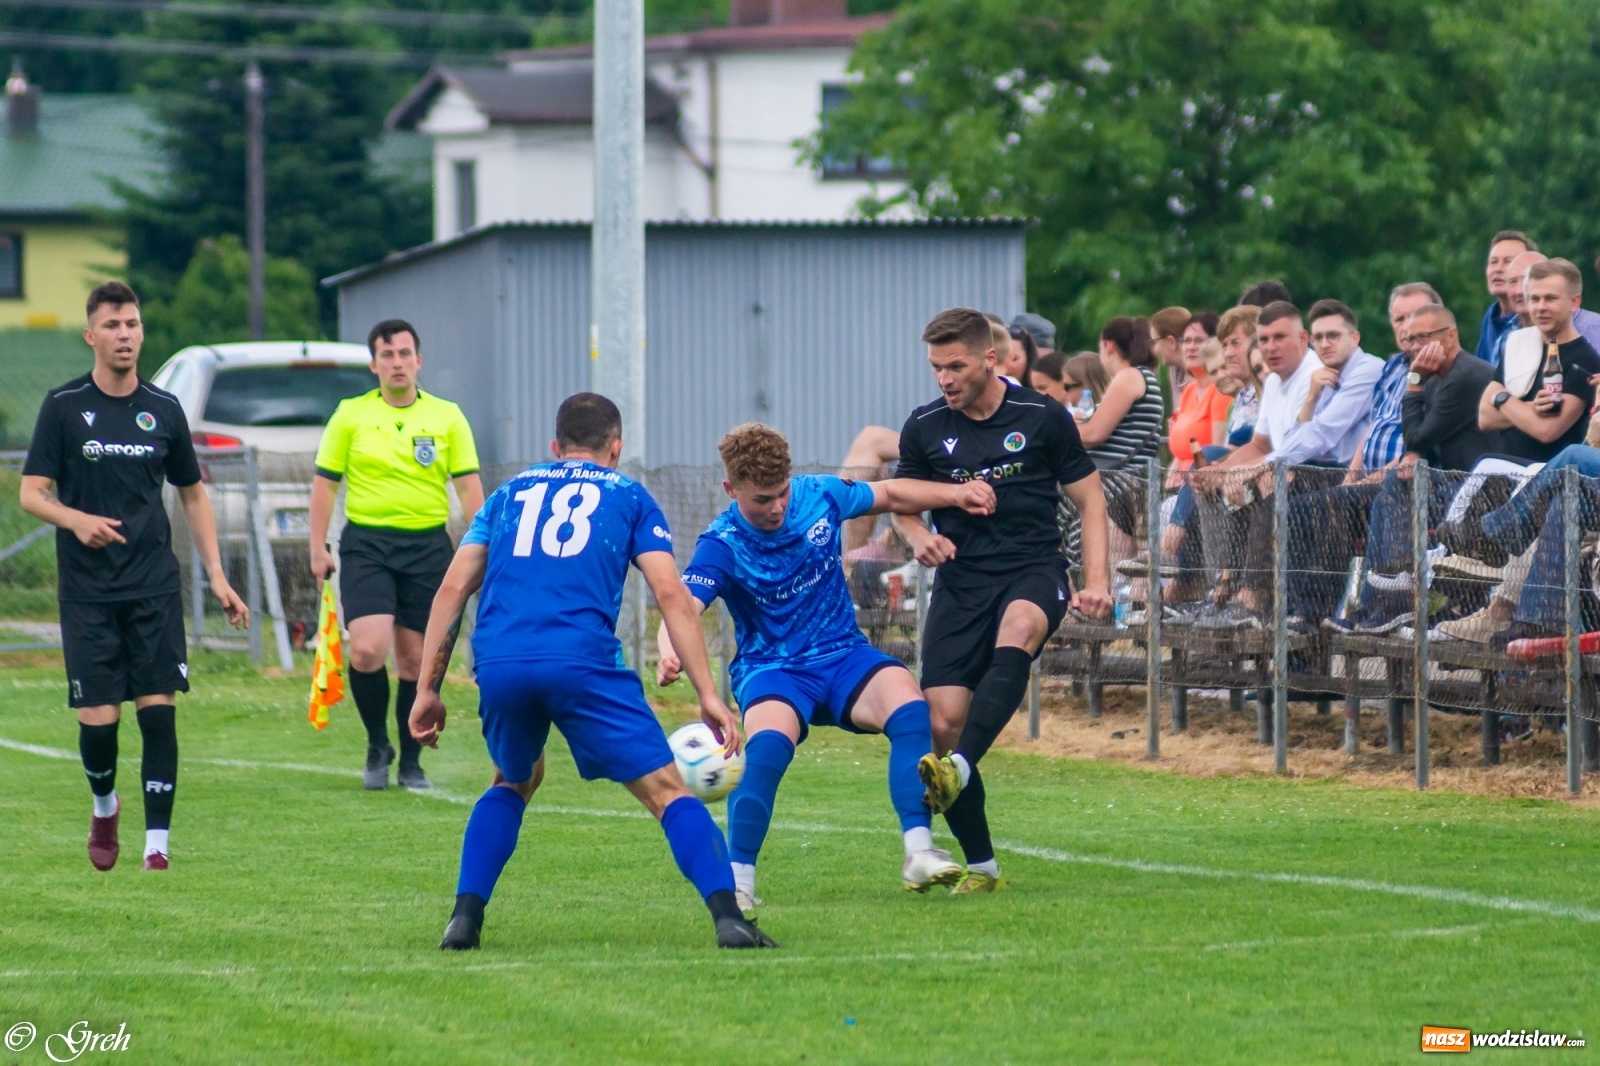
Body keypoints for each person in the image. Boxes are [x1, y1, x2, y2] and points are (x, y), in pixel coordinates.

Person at [408, 393, 775, 951]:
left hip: (501, 659)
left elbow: (454, 588)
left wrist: (426, 690)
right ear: (617, 447)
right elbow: (671, 593)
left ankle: (464, 919)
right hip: (579, 658)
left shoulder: (507, 496)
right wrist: (708, 693)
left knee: (514, 779)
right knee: (666, 791)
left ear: (554, 448)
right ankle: (730, 918)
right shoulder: (629, 495)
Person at [657, 423, 999, 909]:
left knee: (909, 703)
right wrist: (668, 643)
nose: (775, 507)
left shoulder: (819, 497)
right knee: (768, 748)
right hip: (773, 669)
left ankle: (919, 851)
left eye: (781, 493)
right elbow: (683, 605)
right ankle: (738, 883)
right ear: (731, 490)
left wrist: (955, 493)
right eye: (760, 500)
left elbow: (890, 491)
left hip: (843, 654)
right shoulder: (723, 542)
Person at [20, 281, 249, 873]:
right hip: (89, 593)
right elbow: (31, 493)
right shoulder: (64, 407)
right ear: (91, 336)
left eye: (133, 324)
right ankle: (104, 804)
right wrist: (76, 521)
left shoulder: (164, 410)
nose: (125, 335)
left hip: (153, 586)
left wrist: (218, 577)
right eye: (114, 325)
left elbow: (194, 496)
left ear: (142, 332)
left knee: (158, 713)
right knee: (99, 728)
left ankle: (157, 845)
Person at [893, 307, 1113, 893]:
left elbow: (1092, 501)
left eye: (955, 365)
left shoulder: (1043, 415)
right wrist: (921, 538)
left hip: (1033, 569)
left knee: (1018, 627)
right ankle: (984, 867)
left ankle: (959, 770)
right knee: (942, 721)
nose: (944, 378)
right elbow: (902, 501)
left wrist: (1098, 581)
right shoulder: (923, 425)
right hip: (961, 583)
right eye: (936, 367)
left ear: (991, 358)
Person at [309, 319, 484, 792]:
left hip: (428, 548)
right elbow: (325, 483)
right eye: (387, 355)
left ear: (418, 360)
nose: (397, 363)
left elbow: (468, 486)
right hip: (367, 544)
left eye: (405, 354)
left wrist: (485, 546)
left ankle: (410, 762)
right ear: (374, 364)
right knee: (367, 647)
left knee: (414, 663)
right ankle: (375, 743)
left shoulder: (447, 417)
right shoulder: (350, 415)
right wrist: (316, 545)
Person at [1474, 230, 1536, 362]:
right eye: (1493, 262)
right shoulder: (1491, 315)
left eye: (1508, 261)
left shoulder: (1533, 318)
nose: (1498, 268)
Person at [1149, 305, 1192, 395]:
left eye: (1156, 342)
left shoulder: (1202, 374)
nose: (1155, 350)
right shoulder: (1176, 371)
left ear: (1171, 341)